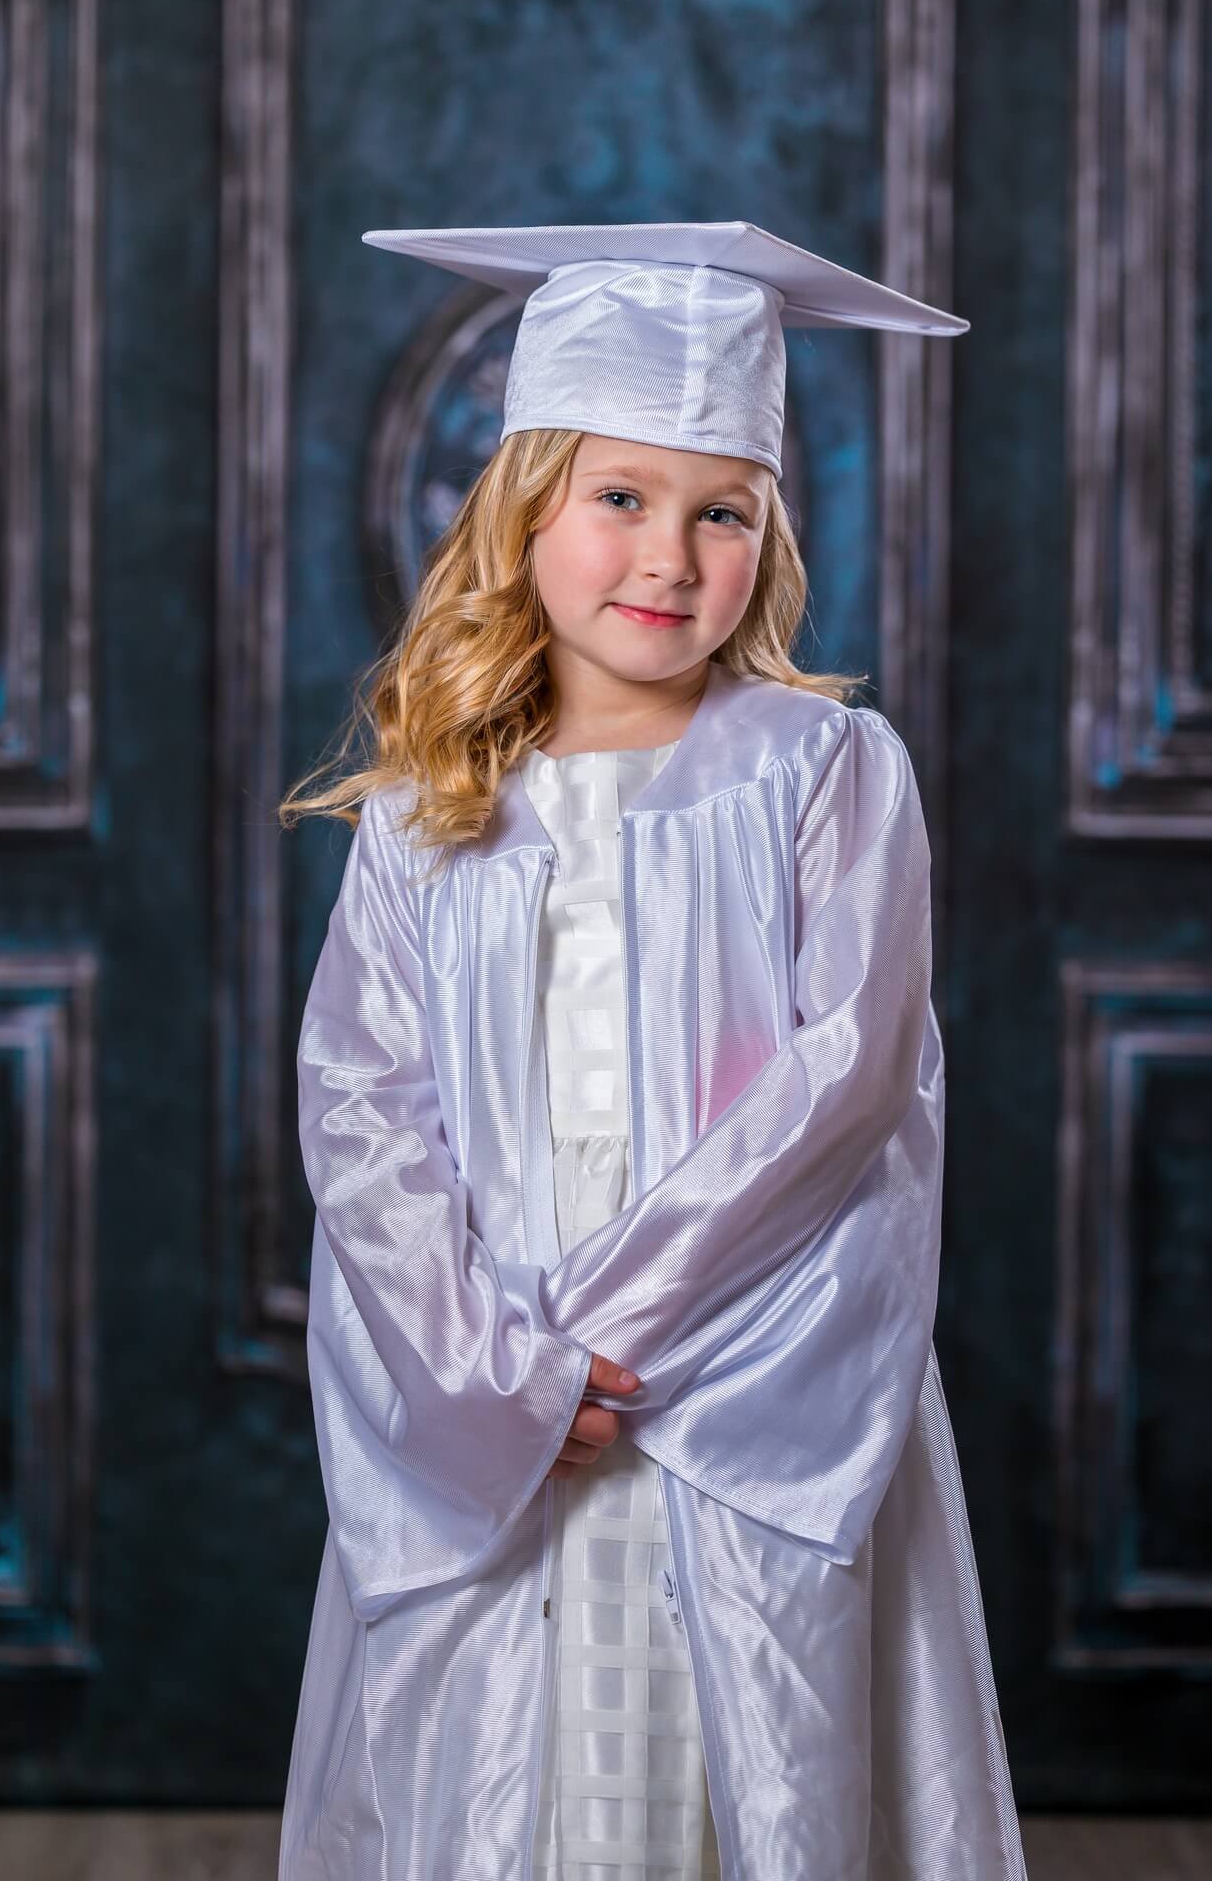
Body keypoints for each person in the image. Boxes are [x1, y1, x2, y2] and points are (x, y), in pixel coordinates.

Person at [275, 222, 1028, 1880]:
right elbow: (362, 1112)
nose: (668, 557)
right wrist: (491, 1372)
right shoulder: (422, 814)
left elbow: (847, 1083)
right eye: (620, 496)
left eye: (722, 511)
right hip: (496, 1371)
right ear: (523, 503)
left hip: (746, 1358)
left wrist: (593, 1347)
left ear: (769, 530)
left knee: (731, 1761)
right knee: (506, 1769)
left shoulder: (826, 772)